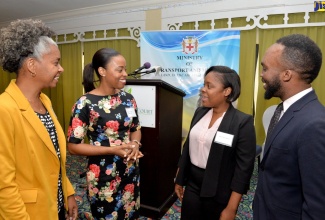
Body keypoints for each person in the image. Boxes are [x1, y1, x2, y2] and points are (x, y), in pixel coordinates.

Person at [0, 19, 78, 219]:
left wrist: (67, 192)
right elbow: (4, 185)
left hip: (54, 205)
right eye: (56, 62)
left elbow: (55, 159)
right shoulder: (4, 109)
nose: (60, 69)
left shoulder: (45, 102)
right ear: (32, 65)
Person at [253, 34, 325, 219]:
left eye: (265, 68)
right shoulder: (283, 110)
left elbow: (318, 206)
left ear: (286, 74)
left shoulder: (315, 124)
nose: (262, 74)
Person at [67, 48, 143, 219]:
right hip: (102, 176)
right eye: (119, 69)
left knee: (130, 214)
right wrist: (112, 150)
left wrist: (135, 144)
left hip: (130, 171)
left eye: (125, 69)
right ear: (102, 71)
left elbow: (135, 129)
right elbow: (73, 147)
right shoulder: (84, 104)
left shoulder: (128, 99)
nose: (125, 73)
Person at [175, 66, 256, 220]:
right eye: (204, 85)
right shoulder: (200, 112)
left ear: (227, 91)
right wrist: (180, 179)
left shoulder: (242, 122)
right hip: (192, 184)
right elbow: (187, 148)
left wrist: (232, 209)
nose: (203, 90)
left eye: (209, 86)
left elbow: (243, 170)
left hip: (220, 190)